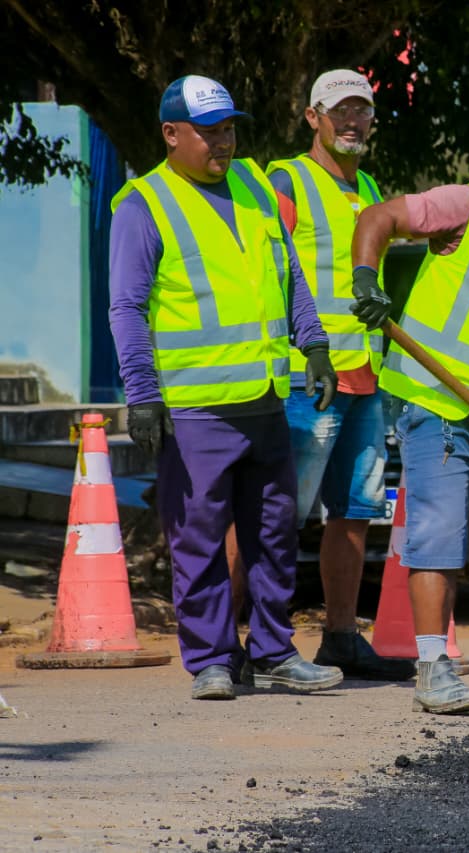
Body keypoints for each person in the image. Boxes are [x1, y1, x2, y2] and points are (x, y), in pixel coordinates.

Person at [108, 75, 344, 700]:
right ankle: (212, 659)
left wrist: (315, 345)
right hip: (194, 411)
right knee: (200, 541)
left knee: (273, 535)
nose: (223, 143)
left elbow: (288, 273)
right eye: (209, 132)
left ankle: (271, 652)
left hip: (265, 401)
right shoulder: (144, 205)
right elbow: (127, 308)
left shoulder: (253, 186)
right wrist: (143, 394)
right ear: (170, 134)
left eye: (229, 129)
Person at [252, 69, 411, 681]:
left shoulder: (368, 185)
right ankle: (252, 647)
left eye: (362, 110)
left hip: (364, 376)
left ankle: (342, 637)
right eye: (339, 110)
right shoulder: (287, 179)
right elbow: (269, 270)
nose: (352, 121)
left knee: (352, 512)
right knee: (273, 515)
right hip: (305, 379)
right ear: (311, 116)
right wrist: (304, 345)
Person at [350, 179, 469, 713]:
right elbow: (377, 217)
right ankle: (432, 669)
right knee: (439, 535)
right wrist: (365, 280)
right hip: (436, 399)